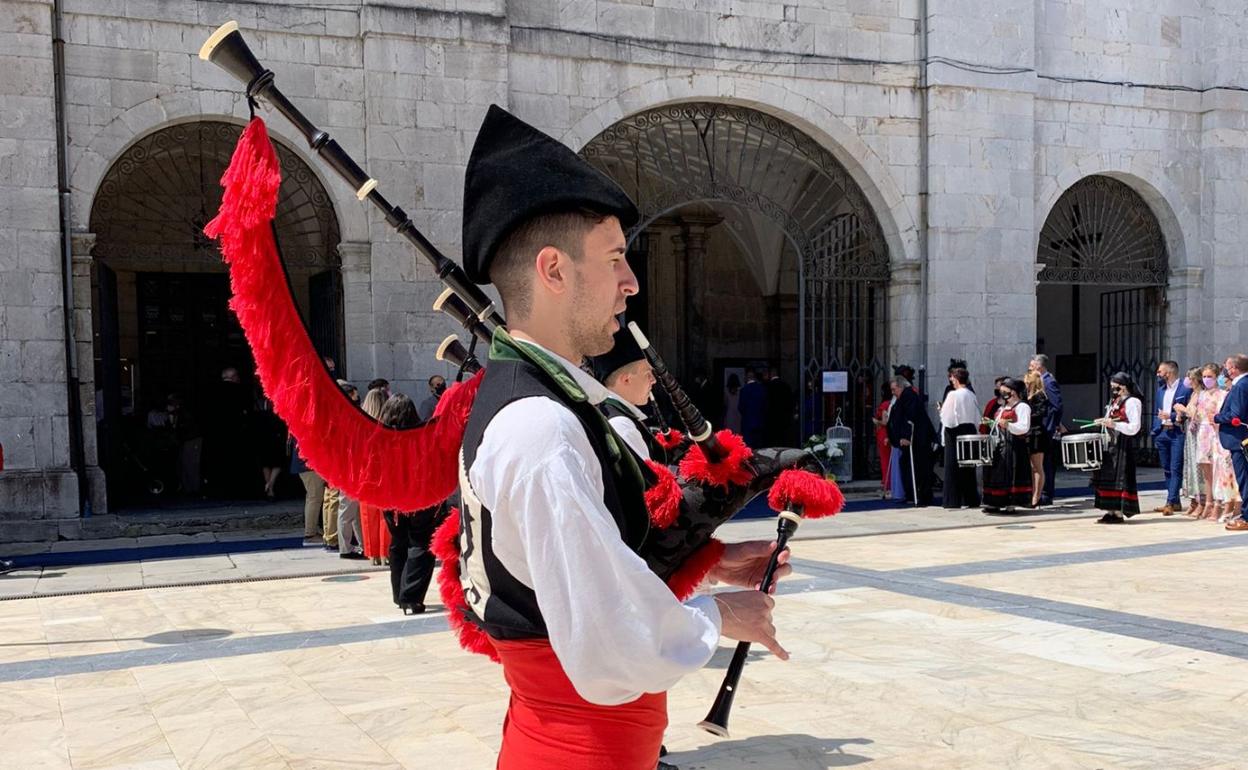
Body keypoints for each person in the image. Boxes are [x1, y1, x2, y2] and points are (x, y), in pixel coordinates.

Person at [450, 104, 789, 768]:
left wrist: (711, 559)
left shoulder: (547, 401)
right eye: (613, 261)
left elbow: (570, 560)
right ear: (553, 270)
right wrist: (723, 615)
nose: (632, 283)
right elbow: (609, 644)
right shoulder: (540, 426)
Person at [377, 393, 446, 613]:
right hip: (420, 498)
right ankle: (411, 597)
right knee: (420, 543)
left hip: (391, 500)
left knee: (398, 544)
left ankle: (399, 595)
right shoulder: (422, 435)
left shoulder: (379, 438)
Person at [592, 325, 663, 462]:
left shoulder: (616, 415)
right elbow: (649, 482)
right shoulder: (622, 425)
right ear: (626, 379)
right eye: (648, 374)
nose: (653, 380)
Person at [1090, 372, 1144, 524]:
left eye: (1116, 387)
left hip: (1123, 444)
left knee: (1120, 477)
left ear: (1124, 387)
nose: (1113, 390)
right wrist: (1103, 421)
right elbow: (1111, 418)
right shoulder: (1115, 401)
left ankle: (1119, 512)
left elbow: (1135, 427)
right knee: (1108, 476)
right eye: (1112, 387)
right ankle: (1109, 510)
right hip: (1111, 443)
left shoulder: (1133, 402)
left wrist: (1115, 425)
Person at [981, 377, 1032, 513]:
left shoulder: (1022, 407)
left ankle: (1011, 503)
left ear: (1013, 392)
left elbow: (1024, 427)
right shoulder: (1004, 407)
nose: (1001, 393)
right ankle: (995, 502)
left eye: (1004, 390)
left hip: (1014, 445)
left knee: (1012, 473)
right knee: (997, 474)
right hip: (1001, 444)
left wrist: (1009, 425)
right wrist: (991, 423)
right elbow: (999, 425)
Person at [887, 375, 935, 506]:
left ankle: (920, 495)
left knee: (918, 467)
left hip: (917, 439)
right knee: (907, 465)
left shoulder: (909, 396)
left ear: (901, 387)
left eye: (894, 389)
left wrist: (906, 436)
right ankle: (912, 494)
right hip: (913, 439)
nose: (893, 392)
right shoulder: (903, 396)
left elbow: (909, 417)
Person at [1150, 360, 1191, 515]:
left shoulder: (1184, 389)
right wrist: (1155, 429)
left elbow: (1188, 411)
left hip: (1176, 432)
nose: (1158, 374)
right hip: (1162, 432)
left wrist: (1172, 415)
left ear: (1169, 372)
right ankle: (1175, 502)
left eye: (1160, 372)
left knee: (1175, 468)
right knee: (1166, 468)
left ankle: (1170, 501)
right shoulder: (1161, 390)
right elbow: (1156, 411)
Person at [1214, 354, 1248, 531]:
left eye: (1227, 366)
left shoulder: (1241, 386)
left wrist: (1218, 417)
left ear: (1234, 368)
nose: (1225, 370)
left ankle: (1247, 516)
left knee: (1244, 478)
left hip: (1239, 438)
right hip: (1240, 438)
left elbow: (1236, 414)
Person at [358, 387, 391, 565]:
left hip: (365, 472)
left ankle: (372, 554)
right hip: (386, 471)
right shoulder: (388, 424)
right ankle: (385, 552)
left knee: (367, 513)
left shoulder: (360, 424)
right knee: (385, 514)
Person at [940, 367, 980, 509]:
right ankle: (971, 498)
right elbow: (976, 416)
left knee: (952, 466)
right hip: (969, 428)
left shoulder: (953, 394)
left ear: (956, 379)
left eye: (952, 378)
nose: (951, 381)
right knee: (968, 465)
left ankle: (952, 500)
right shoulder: (971, 394)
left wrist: (942, 413)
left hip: (955, 429)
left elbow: (947, 416)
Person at [1175, 366, 1210, 518]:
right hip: (1190, 433)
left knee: (1198, 467)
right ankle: (1194, 500)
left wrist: (1182, 408)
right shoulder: (1193, 394)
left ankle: (1202, 501)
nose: (1187, 380)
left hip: (1198, 434)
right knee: (1190, 466)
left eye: (1190, 377)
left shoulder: (1202, 394)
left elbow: (1198, 414)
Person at [1027, 355, 1063, 505]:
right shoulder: (1040, 381)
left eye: (1032, 366)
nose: (1029, 368)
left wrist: (1052, 425)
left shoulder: (1048, 382)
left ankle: (1046, 494)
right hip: (1039, 428)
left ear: (1039, 366)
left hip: (1044, 429)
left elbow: (1056, 406)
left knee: (1045, 464)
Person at [1023, 372, 1051, 509]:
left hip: (1037, 433)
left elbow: (1040, 414)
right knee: (1029, 467)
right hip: (1027, 432)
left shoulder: (1040, 396)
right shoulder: (1025, 396)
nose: (1026, 384)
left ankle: (1037, 496)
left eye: (1028, 382)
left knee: (1037, 467)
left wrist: (1026, 415)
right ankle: (1030, 494)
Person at [289, 437, 324, 544]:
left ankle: (313, 529)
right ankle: (310, 534)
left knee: (313, 497)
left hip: (305, 464)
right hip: (307, 465)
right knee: (314, 497)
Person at [763, 366, 795, 446]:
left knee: (773, 444)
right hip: (784, 420)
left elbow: (766, 405)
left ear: (771, 374)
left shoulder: (768, 387)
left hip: (772, 421)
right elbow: (791, 403)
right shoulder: (786, 386)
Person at [872, 382, 893, 498]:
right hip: (885, 434)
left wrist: (876, 422)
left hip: (883, 434)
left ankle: (887, 486)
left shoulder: (885, 404)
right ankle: (887, 486)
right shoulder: (890, 403)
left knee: (885, 462)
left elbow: (885, 421)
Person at [738, 368, 767, 448]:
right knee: (759, 447)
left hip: (747, 423)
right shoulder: (762, 389)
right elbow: (765, 406)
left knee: (748, 447)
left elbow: (741, 407)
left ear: (746, 377)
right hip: (759, 422)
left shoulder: (744, 390)